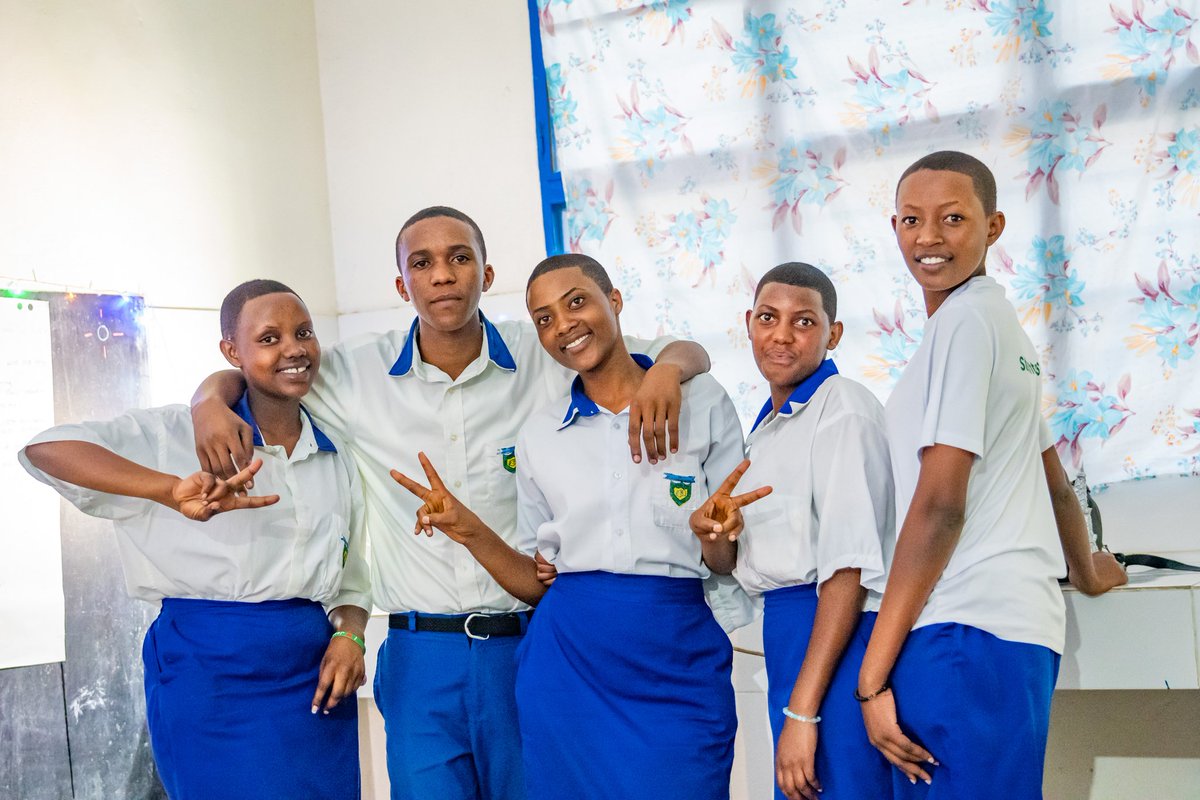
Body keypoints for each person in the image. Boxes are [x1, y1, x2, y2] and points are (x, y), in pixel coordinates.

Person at [189, 208, 711, 799]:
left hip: (528, 644)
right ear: (401, 284)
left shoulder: (544, 349)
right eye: (423, 263)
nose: (443, 275)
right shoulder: (355, 373)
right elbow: (267, 369)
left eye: (460, 258)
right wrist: (208, 400)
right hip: (420, 654)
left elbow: (678, 350)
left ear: (487, 274)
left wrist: (667, 370)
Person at [390, 253, 754, 800]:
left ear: (615, 301)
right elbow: (540, 581)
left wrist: (712, 538)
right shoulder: (540, 435)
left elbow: (722, 560)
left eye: (577, 302)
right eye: (543, 318)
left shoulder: (700, 400)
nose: (564, 325)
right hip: (567, 664)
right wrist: (466, 528)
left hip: (676, 654)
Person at [19, 279, 370, 800]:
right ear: (232, 351)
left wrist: (351, 634)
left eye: (304, 333)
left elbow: (351, 574)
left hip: (310, 670)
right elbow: (45, 450)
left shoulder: (334, 451)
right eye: (269, 338)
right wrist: (166, 490)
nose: (293, 348)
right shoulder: (175, 434)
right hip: (208, 668)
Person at [856, 151, 1128, 798]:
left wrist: (873, 671)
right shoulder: (1003, 330)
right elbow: (1053, 478)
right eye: (912, 220)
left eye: (953, 218)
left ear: (994, 225)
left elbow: (940, 505)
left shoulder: (964, 323)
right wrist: (1086, 569)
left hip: (960, 630)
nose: (928, 237)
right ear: (893, 226)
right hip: (1007, 634)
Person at [690, 262, 893, 800]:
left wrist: (802, 712)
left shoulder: (841, 408)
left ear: (834, 334)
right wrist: (715, 536)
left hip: (831, 630)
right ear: (748, 323)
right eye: (767, 318)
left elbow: (847, 569)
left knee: (840, 786)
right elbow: (730, 565)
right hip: (787, 631)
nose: (780, 335)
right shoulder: (768, 426)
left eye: (803, 322)